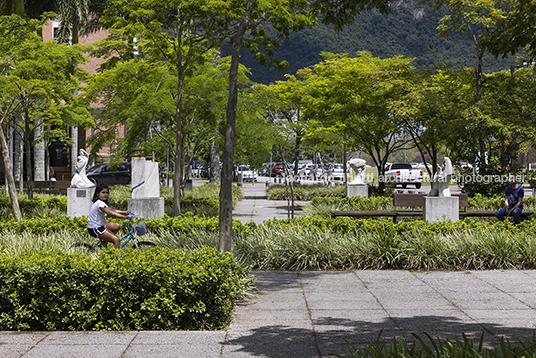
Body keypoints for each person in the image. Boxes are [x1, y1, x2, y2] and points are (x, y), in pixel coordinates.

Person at [87, 183, 132, 248]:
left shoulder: (101, 203)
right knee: (117, 240)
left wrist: (124, 212)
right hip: (95, 228)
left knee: (116, 226)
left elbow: (111, 210)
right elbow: (110, 213)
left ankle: (103, 245)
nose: (105, 194)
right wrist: (125, 217)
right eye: (103, 192)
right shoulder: (99, 203)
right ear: (97, 193)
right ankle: (110, 257)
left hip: (100, 225)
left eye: (107, 193)